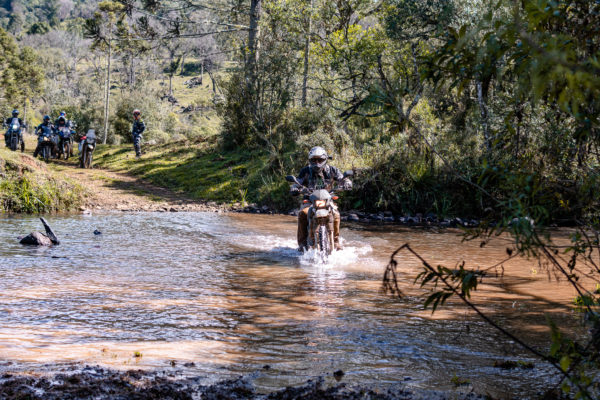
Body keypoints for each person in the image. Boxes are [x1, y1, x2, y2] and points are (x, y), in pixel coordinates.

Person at [291, 146, 352, 251]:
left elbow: (342, 178)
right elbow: (298, 181)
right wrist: (294, 188)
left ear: (325, 160)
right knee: (303, 214)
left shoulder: (332, 170)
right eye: (314, 160)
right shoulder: (305, 171)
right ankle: (302, 243)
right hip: (309, 200)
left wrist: (347, 183)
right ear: (310, 160)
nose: (317, 162)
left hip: (328, 200)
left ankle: (336, 242)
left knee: (336, 214)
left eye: (320, 160)